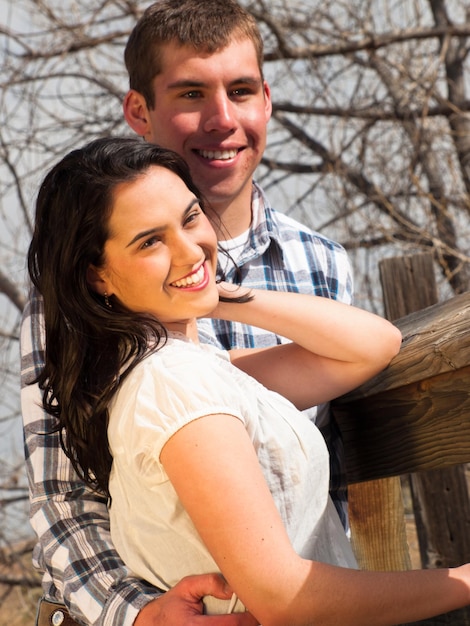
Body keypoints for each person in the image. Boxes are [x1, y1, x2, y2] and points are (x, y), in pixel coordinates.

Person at [28, 136, 470, 626]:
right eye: (150, 241)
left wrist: (210, 289)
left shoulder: (199, 368)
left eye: (191, 218)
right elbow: (286, 599)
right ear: (98, 277)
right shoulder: (173, 382)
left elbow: (373, 344)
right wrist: (464, 582)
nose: (187, 247)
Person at [20, 1, 352, 625]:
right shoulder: (81, 290)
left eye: (242, 90)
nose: (222, 119)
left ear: (267, 101)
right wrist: (141, 615)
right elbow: (63, 497)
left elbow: (323, 468)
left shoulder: (320, 263)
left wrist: (210, 285)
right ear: (139, 111)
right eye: (192, 93)